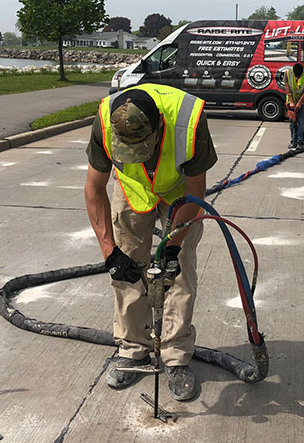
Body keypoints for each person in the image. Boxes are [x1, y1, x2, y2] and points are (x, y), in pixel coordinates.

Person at [84, 83, 217, 401]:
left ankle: (176, 356)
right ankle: (132, 350)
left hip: (178, 191)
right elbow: (93, 188)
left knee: (180, 270)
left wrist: (173, 245)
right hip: (133, 188)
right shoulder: (104, 120)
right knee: (126, 269)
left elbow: (197, 191)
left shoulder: (190, 120)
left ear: (160, 124)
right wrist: (109, 253)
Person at [284, 62, 304, 150]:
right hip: (291, 101)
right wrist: (292, 102)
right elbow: (287, 88)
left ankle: (300, 142)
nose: (296, 77)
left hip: (303, 101)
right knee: (292, 122)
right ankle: (293, 141)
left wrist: (300, 103)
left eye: (298, 76)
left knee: (301, 122)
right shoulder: (288, 73)